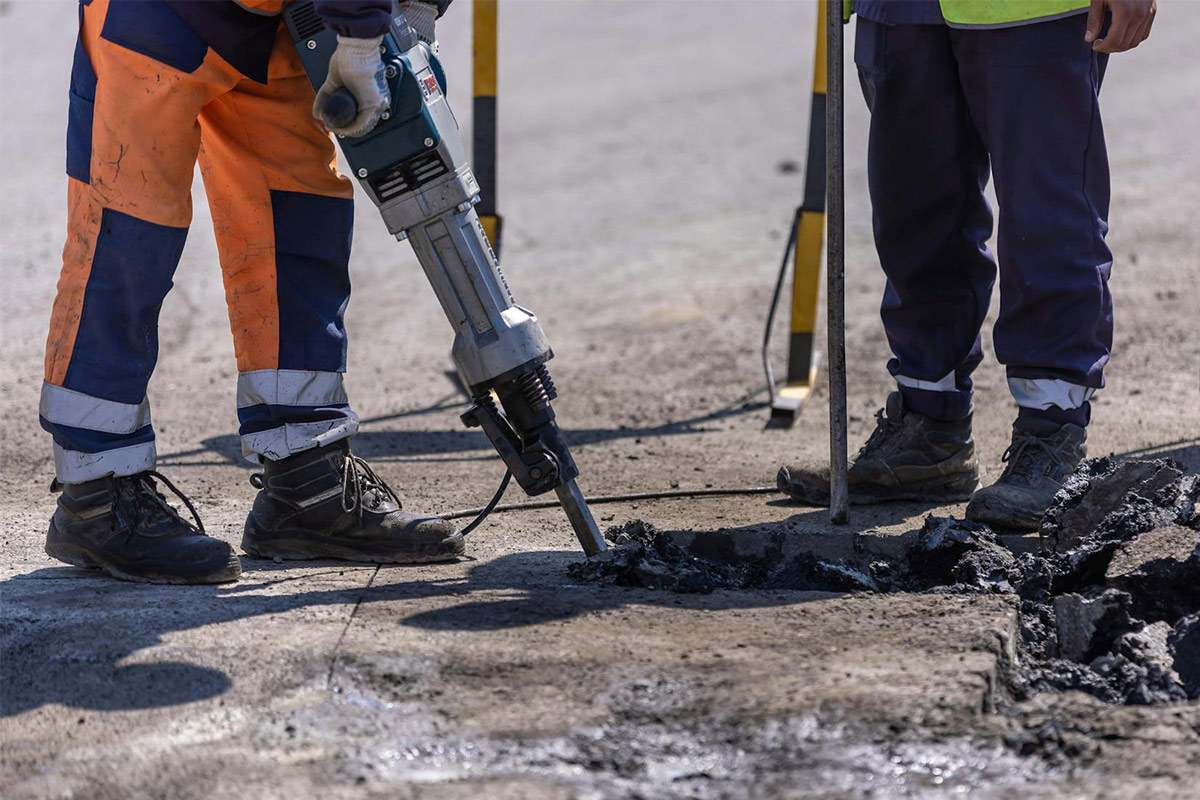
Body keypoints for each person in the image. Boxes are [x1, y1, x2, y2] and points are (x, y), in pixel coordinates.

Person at [40, 0, 460, 584]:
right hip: (154, 14)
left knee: (295, 219)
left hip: (279, 18)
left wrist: (413, 8)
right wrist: (362, 39)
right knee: (127, 230)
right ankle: (97, 492)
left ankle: (306, 482)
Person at [778, 0, 1156, 529]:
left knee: (1046, 216)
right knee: (914, 212)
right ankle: (929, 428)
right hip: (899, 10)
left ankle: (1051, 432)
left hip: (1031, 11)